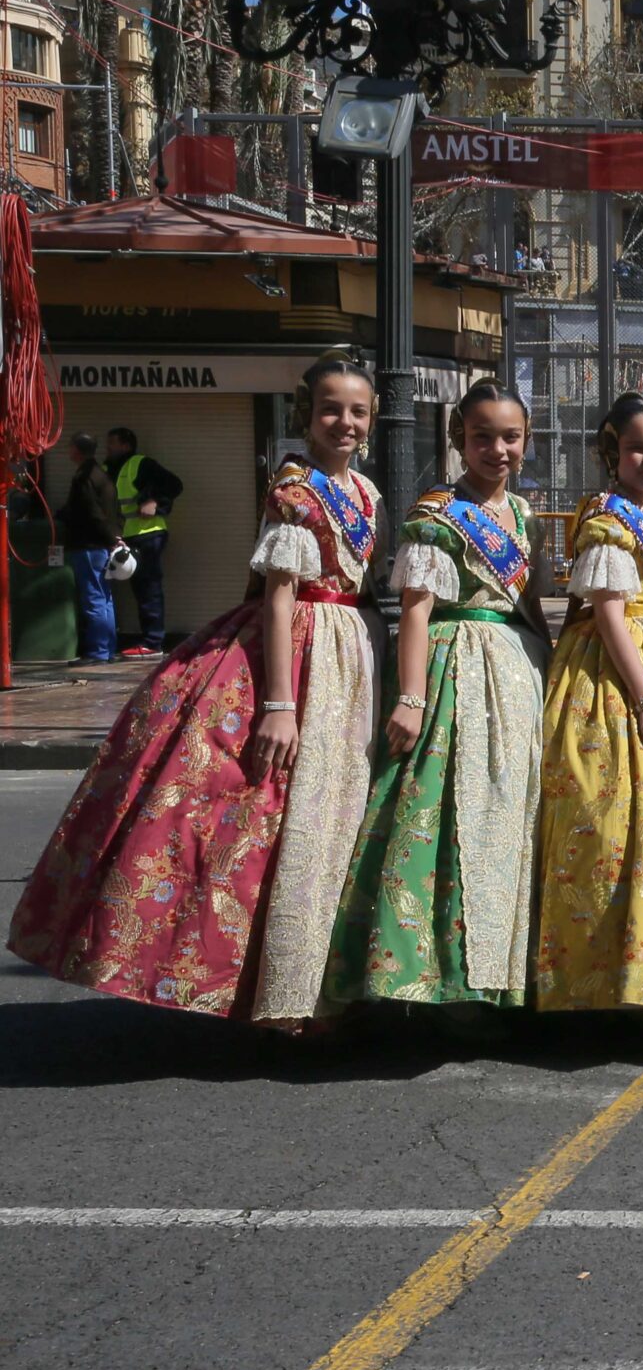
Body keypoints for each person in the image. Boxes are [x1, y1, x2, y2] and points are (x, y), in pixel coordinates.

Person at [11, 358, 381, 1023]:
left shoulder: (368, 494)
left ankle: (324, 981)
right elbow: (279, 595)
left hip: (351, 655)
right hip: (297, 654)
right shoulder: (295, 491)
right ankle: (282, 992)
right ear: (306, 414)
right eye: (331, 409)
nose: (344, 422)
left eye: (357, 411)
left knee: (335, 821)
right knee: (268, 820)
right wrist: (277, 704)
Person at [328, 382, 550, 1011]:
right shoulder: (436, 515)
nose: (497, 449)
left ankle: (501, 974)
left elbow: (528, 603)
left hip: (517, 670)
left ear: (526, 441)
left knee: (510, 818)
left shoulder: (526, 516)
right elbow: (418, 610)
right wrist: (412, 697)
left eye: (510, 437)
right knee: (446, 815)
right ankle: (434, 977)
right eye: (482, 437)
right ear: (459, 441)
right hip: (457, 671)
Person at [535, 394, 643, 1011]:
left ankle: (642, 974)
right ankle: (594, 981)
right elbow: (607, 615)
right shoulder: (608, 519)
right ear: (613, 453)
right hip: (612, 678)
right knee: (605, 821)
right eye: (637, 448)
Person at [102, 427, 181, 657]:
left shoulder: (140, 464)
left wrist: (155, 502)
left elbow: (174, 484)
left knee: (148, 588)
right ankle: (144, 639)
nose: (108, 448)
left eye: (112, 443)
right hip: (124, 538)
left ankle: (153, 642)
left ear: (126, 445)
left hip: (148, 534)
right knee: (138, 589)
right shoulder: (107, 468)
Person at [56, 435, 121, 663]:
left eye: (70, 447)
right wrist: (114, 537)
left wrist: (108, 538)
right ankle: (108, 648)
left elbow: (90, 512)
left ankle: (97, 651)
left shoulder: (84, 477)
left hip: (88, 545)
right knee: (105, 597)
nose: (69, 452)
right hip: (101, 545)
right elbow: (109, 510)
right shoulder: (102, 475)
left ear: (77, 450)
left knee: (93, 597)